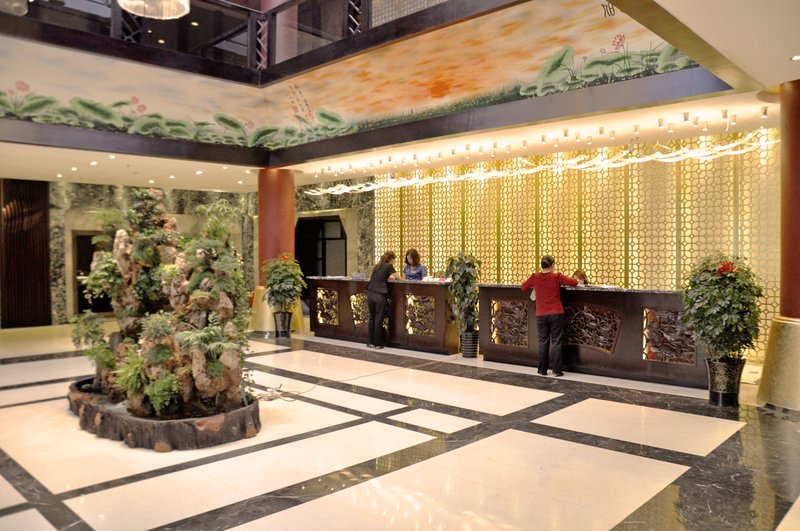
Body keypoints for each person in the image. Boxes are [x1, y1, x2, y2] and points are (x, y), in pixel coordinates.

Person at [520, 255, 578, 376]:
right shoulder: (557, 276)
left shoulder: (535, 277)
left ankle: (542, 370)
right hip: (556, 313)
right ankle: (557, 370)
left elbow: (523, 287)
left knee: (543, 342)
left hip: (541, 314)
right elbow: (574, 282)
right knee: (556, 342)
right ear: (552, 265)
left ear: (542, 265)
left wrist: (535, 285)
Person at [367, 251, 401, 349]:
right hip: (380, 294)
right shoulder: (388, 266)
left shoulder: (377, 266)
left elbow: (380, 277)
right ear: (391, 259)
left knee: (372, 318)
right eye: (394, 260)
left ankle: (371, 342)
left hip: (370, 293)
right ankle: (378, 343)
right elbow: (399, 278)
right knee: (379, 318)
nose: (394, 262)